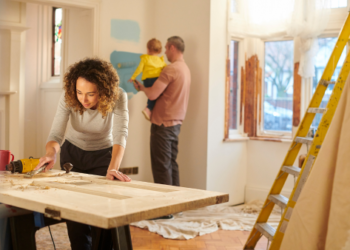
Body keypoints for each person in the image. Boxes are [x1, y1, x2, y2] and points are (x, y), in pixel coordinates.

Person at [36, 57, 131, 250]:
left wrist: (113, 168)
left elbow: (120, 134)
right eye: (79, 92)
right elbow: (56, 134)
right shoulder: (68, 97)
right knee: (76, 221)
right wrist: (51, 154)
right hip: (73, 155)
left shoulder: (118, 96)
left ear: (104, 91)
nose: (83, 99)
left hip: (104, 155)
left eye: (90, 94)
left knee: (103, 219)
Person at [133, 36, 191, 189]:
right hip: (176, 123)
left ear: (172, 47)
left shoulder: (171, 69)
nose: (164, 52)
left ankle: (165, 209)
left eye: (166, 48)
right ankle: (176, 205)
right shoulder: (185, 69)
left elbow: (152, 94)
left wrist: (142, 88)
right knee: (171, 163)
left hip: (162, 124)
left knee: (161, 167)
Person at [128, 38, 167, 120]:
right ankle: (148, 108)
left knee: (152, 95)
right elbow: (166, 70)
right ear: (159, 51)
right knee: (156, 94)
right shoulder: (161, 60)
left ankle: (148, 107)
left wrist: (133, 77)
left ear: (148, 49)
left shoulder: (145, 58)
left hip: (147, 81)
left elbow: (139, 69)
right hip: (156, 80)